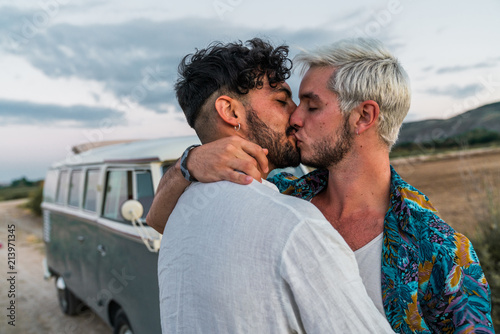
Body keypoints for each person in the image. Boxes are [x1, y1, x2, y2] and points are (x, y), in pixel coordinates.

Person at [148, 38, 494, 333]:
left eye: (311, 106)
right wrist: (189, 163)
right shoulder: (283, 194)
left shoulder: (441, 248)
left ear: (363, 117)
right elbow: (161, 218)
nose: (295, 117)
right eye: (290, 102)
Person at [156, 38, 394, 333]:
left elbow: (155, 217)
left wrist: (189, 161)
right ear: (230, 112)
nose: (295, 116)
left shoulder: (179, 215)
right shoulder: (296, 226)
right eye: (282, 101)